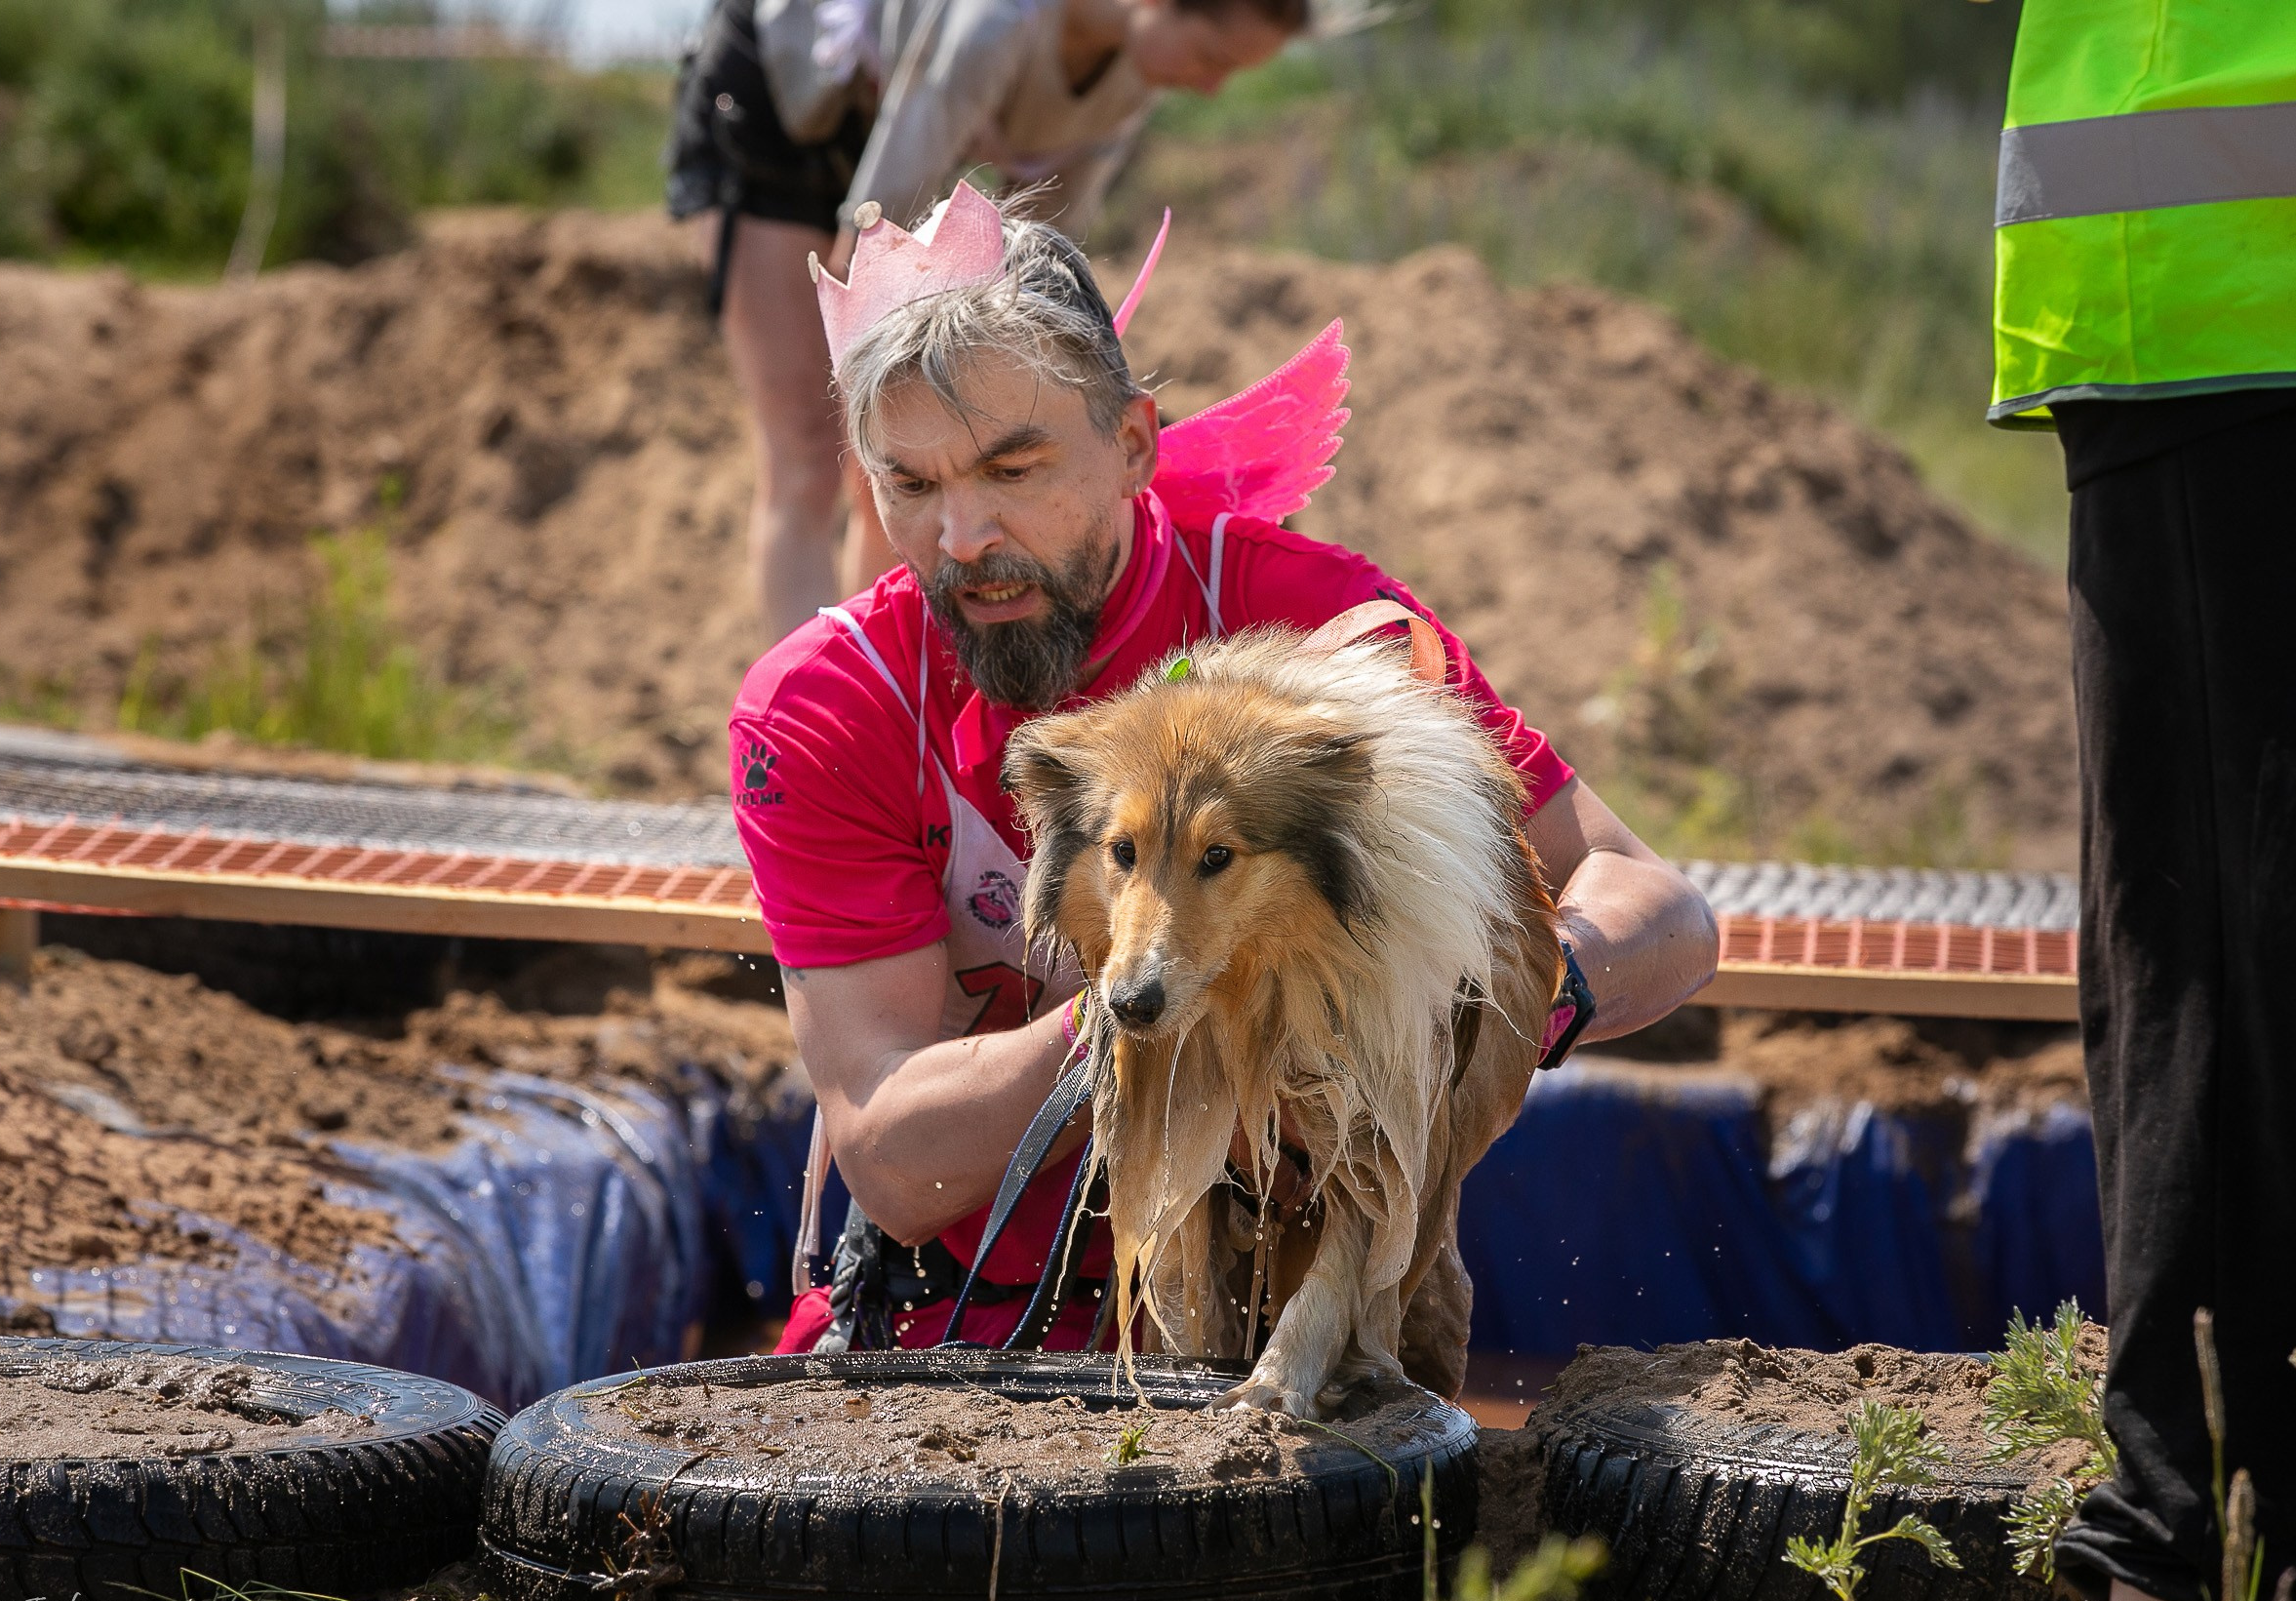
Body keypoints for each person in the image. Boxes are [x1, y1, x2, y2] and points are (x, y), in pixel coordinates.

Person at [727, 181, 1720, 1362]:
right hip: (961, 1325)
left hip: (1285, 1323)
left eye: (1015, 467)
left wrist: (1501, 1006)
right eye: (914, 485)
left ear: (1135, 441)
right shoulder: (828, 704)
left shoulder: (1318, 621)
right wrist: (1156, 1005)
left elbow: (1658, 910)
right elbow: (892, 1159)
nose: (965, 539)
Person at [1990, 4, 2296, 1601]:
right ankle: (2215, 1545)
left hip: (2236, 284)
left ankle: (2219, 1548)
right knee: (2236, 978)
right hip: (2236, 294)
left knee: (2235, 980)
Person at [665, 0, 1305, 640]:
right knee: (810, 450)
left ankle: (900, 692)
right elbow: (869, 234)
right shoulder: (999, 22)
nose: (1213, 85)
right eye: (1212, 56)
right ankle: (813, 712)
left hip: (889, 127)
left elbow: (1048, 260)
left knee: (908, 462)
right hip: (781, 103)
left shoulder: (1140, 73)